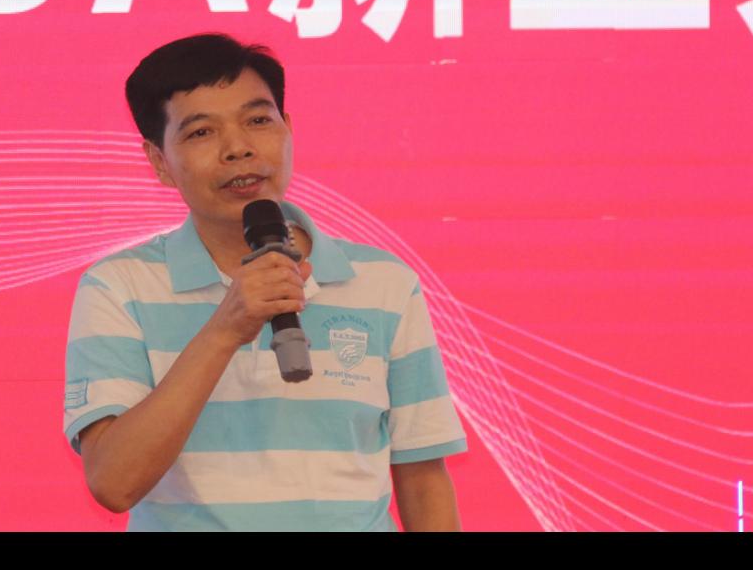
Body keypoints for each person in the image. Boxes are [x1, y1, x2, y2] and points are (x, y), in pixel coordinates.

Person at [63, 33, 465, 531]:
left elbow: (423, 477)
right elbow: (113, 482)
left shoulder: (384, 283)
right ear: (159, 162)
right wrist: (227, 327)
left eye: (258, 121)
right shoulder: (119, 287)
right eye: (201, 132)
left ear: (288, 129)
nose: (239, 149)